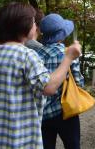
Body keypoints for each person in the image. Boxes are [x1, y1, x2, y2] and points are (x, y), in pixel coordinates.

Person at [0, 2, 81, 149]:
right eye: (33, 22)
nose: (36, 27)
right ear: (23, 26)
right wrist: (68, 58)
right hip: (16, 138)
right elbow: (49, 87)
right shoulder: (25, 54)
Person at [38, 13, 84, 149]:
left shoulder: (35, 54)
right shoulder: (67, 53)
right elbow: (78, 83)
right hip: (65, 110)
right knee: (72, 145)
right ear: (62, 35)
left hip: (43, 113)